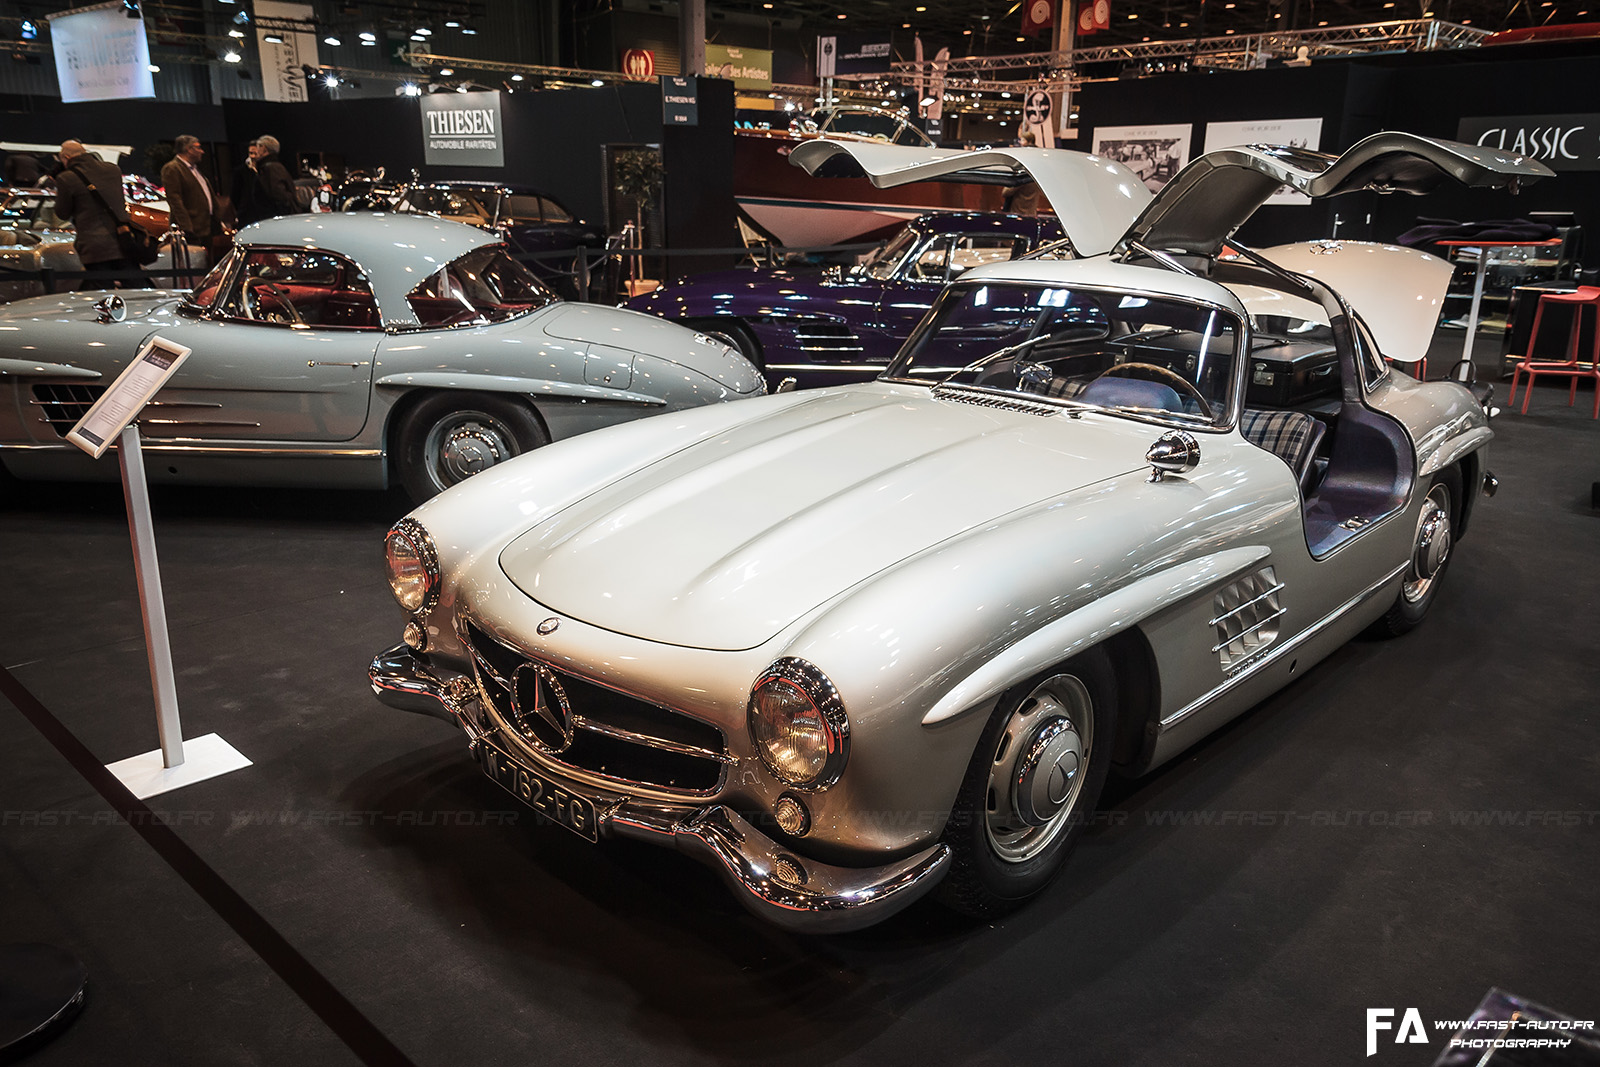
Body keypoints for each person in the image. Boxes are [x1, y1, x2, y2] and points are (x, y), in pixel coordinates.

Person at [51, 140, 131, 288]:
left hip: (94, 245)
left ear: (66, 158)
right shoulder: (113, 169)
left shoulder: (66, 178)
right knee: (132, 289)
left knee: (102, 291)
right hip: (124, 240)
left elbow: (62, 213)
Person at [160, 134, 225, 267]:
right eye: (198, 147)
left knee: (207, 265)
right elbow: (175, 200)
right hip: (191, 229)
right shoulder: (173, 168)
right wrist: (187, 227)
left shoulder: (194, 169)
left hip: (205, 227)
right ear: (188, 149)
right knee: (196, 265)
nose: (202, 151)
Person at [234, 135, 295, 226]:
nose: (256, 151)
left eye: (258, 147)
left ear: (264, 149)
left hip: (272, 222)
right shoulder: (276, 167)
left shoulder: (269, 169)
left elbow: (280, 197)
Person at [1004, 130, 1044, 217]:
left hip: (1018, 213)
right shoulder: (1038, 170)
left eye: (1022, 140)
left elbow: (1006, 192)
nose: (1020, 142)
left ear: (1029, 141)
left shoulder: (1022, 173)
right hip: (1032, 213)